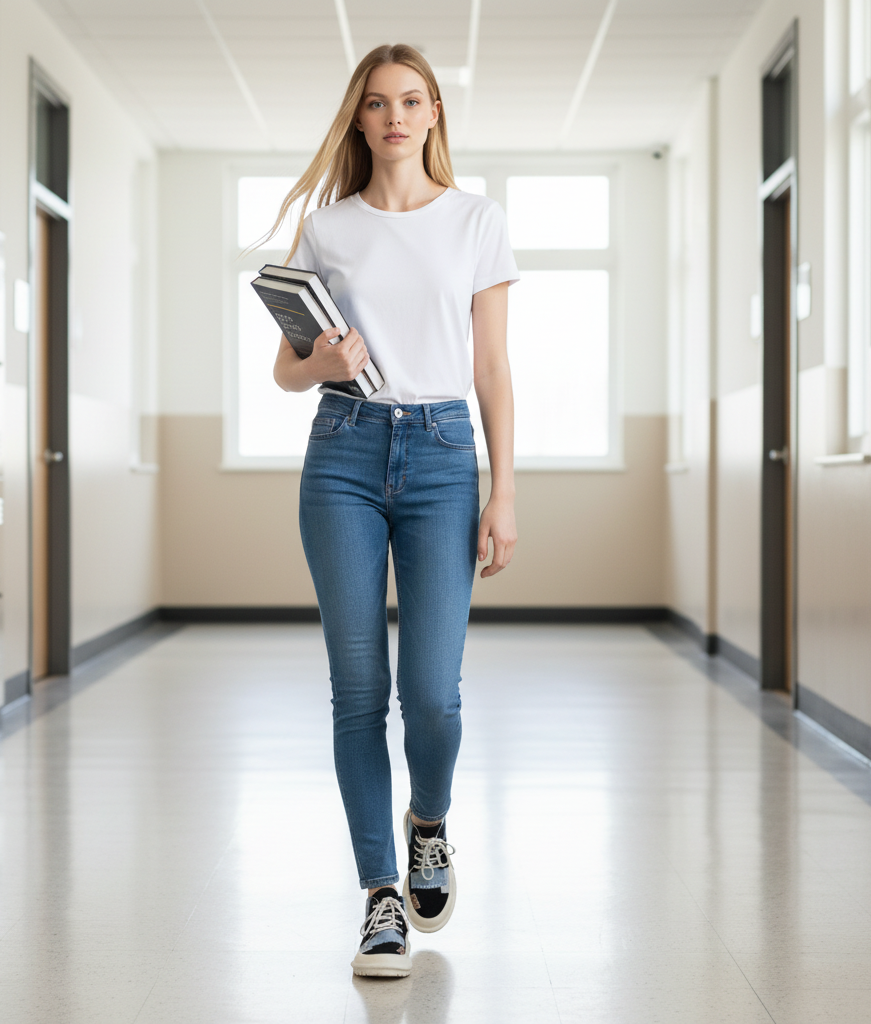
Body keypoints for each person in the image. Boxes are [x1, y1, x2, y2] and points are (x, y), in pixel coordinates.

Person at [267, 43, 518, 978]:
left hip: (447, 455)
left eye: (412, 101)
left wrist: (504, 491)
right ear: (360, 120)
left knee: (432, 698)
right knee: (358, 693)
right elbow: (289, 367)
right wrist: (318, 365)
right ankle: (379, 896)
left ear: (436, 114)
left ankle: (430, 823)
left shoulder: (476, 221)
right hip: (343, 450)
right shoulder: (328, 230)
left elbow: (491, 368)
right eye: (377, 104)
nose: (396, 118)